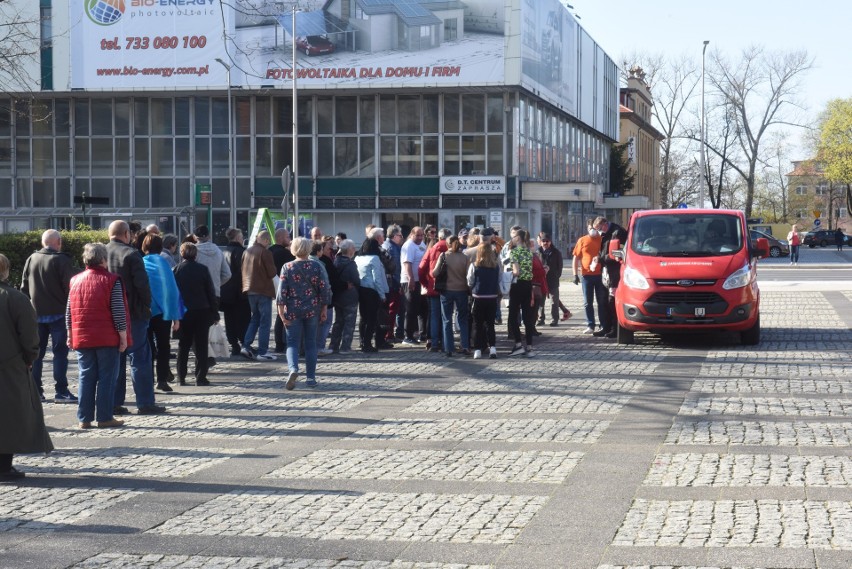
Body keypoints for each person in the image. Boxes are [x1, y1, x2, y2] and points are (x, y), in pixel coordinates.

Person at [0, 253, 53, 480]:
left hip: (10, 364)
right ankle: (3, 466)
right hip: (9, 366)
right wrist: (30, 357)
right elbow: (30, 336)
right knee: (11, 415)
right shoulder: (15, 298)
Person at [106, 220, 166, 416]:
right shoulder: (132, 254)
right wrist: (146, 305)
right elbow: (142, 285)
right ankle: (145, 402)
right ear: (126, 234)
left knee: (116, 359)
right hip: (133, 314)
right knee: (140, 358)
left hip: (109, 315)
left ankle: (115, 402)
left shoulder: (101, 252)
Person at [66, 243, 128, 430]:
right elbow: (118, 311)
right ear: (103, 259)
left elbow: (69, 311)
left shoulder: (75, 280)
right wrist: (123, 336)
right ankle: (104, 416)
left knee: (86, 376)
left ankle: (84, 418)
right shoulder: (112, 280)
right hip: (106, 337)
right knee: (107, 377)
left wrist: (70, 333)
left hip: (82, 336)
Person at [20, 229, 78, 403]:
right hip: (60, 314)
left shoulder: (31, 259)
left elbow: (24, 287)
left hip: (36, 313)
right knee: (60, 353)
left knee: (37, 354)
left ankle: (36, 391)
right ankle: (61, 391)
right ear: (58, 241)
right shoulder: (62, 260)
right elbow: (70, 288)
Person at [277, 237, 331, 389]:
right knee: (310, 344)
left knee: (292, 343)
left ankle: (293, 369)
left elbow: (282, 292)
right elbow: (324, 288)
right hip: (312, 309)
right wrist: (324, 309)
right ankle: (311, 378)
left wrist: (281, 313)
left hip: (292, 309)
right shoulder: (316, 266)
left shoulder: (287, 267)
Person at [142, 234, 184, 392]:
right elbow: (172, 290)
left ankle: (148, 381)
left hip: (145, 311)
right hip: (163, 311)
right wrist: (176, 316)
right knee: (164, 346)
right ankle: (162, 380)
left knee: (147, 347)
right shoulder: (164, 264)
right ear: (161, 247)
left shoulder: (141, 262)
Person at [173, 243, 218, 386]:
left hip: (183, 311)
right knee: (201, 344)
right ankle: (201, 376)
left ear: (181, 254)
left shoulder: (176, 270)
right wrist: (214, 312)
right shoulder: (202, 269)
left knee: (183, 344)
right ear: (196, 254)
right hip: (202, 310)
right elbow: (210, 292)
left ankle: (181, 376)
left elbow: (173, 293)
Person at [240, 230, 278, 361]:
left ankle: (246, 345)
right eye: (268, 242)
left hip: (249, 290)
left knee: (255, 318)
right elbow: (272, 272)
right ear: (266, 240)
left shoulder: (246, 251)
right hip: (263, 290)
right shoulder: (265, 252)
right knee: (265, 322)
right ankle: (263, 351)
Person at [432, 235, 471, 357]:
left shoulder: (444, 256)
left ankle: (449, 348)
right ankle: (465, 346)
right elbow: (469, 275)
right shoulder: (464, 257)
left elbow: (435, 273)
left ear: (447, 245)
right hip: (462, 290)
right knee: (463, 319)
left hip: (447, 291)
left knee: (447, 320)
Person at [573, 222, 610, 336]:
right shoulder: (582, 240)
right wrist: (575, 274)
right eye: (590, 228)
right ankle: (590, 325)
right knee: (587, 302)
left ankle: (603, 325)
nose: (593, 230)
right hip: (586, 276)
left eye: (594, 228)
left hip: (600, 275)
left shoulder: (602, 239)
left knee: (601, 301)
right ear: (587, 228)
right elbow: (576, 257)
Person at [593, 216, 627, 338]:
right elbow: (603, 250)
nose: (599, 231)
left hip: (615, 272)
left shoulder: (617, 233)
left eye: (600, 228)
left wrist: (601, 258)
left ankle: (615, 328)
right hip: (606, 271)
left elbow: (617, 253)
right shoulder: (605, 234)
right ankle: (605, 327)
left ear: (605, 224)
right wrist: (598, 257)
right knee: (603, 301)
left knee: (612, 301)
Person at [355, 237, 390, 353]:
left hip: (361, 289)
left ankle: (362, 341)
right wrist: (382, 294)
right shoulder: (374, 258)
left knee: (363, 317)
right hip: (372, 291)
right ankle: (368, 343)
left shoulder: (358, 258)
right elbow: (377, 279)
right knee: (372, 318)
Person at [419, 228, 451, 352]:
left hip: (433, 286)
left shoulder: (432, 250)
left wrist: (425, 283)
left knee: (434, 315)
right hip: (449, 287)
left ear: (439, 237)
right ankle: (446, 343)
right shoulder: (452, 249)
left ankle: (434, 343)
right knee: (446, 316)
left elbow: (421, 268)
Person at [221, 227, 251, 356]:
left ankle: (234, 345)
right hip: (240, 291)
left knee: (229, 320)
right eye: (241, 235)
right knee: (243, 319)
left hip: (226, 291)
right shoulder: (242, 252)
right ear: (238, 238)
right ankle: (244, 342)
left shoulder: (223, 252)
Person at [467, 243, 500, 360]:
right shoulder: (495, 266)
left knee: (477, 325)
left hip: (478, 297)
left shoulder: (474, 265)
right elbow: (499, 280)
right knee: (490, 324)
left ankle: (477, 350)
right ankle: (493, 348)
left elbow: (470, 281)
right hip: (492, 297)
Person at [507, 229, 536, 357]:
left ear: (518, 238)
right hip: (528, 285)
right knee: (527, 316)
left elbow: (516, 271)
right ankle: (529, 346)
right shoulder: (530, 252)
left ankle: (518, 344)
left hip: (517, 284)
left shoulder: (514, 252)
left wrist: (507, 274)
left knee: (513, 315)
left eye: (513, 237)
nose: (512, 239)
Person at [329, 239, 360, 354]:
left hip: (338, 296)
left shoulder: (335, 261)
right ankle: (345, 347)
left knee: (338, 322)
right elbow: (356, 280)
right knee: (349, 323)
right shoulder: (351, 264)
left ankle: (333, 345)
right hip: (350, 297)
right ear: (350, 250)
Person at [268, 228, 295, 353]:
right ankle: (282, 343)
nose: (289, 240)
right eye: (287, 237)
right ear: (280, 238)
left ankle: (279, 343)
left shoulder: (269, 251)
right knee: (283, 316)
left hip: (271, 286)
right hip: (284, 287)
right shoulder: (285, 254)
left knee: (279, 315)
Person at [400, 226, 427, 344]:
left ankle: (422, 334)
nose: (420, 237)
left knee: (421, 309)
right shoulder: (409, 245)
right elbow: (407, 263)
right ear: (412, 234)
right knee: (410, 309)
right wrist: (410, 278)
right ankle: (408, 335)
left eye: (422, 235)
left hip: (420, 281)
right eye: (418, 235)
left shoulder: (422, 245)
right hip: (410, 281)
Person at [537, 232, 570, 326]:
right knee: (540, 301)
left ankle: (554, 319)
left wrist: (556, 275)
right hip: (541, 280)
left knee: (554, 301)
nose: (545, 243)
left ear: (550, 242)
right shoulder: (538, 252)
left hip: (553, 280)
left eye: (547, 241)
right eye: (543, 241)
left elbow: (560, 266)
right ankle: (541, 319)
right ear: (541, 242)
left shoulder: (556, 252)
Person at [316, 236, 338, 355]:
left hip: (319, 298)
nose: (331, 250)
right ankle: (319, 346)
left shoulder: (325, 261)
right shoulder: (323, 263)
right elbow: (328, 281)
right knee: (325, 322)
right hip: (324, 298)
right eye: (329, 249)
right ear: (321, 250)